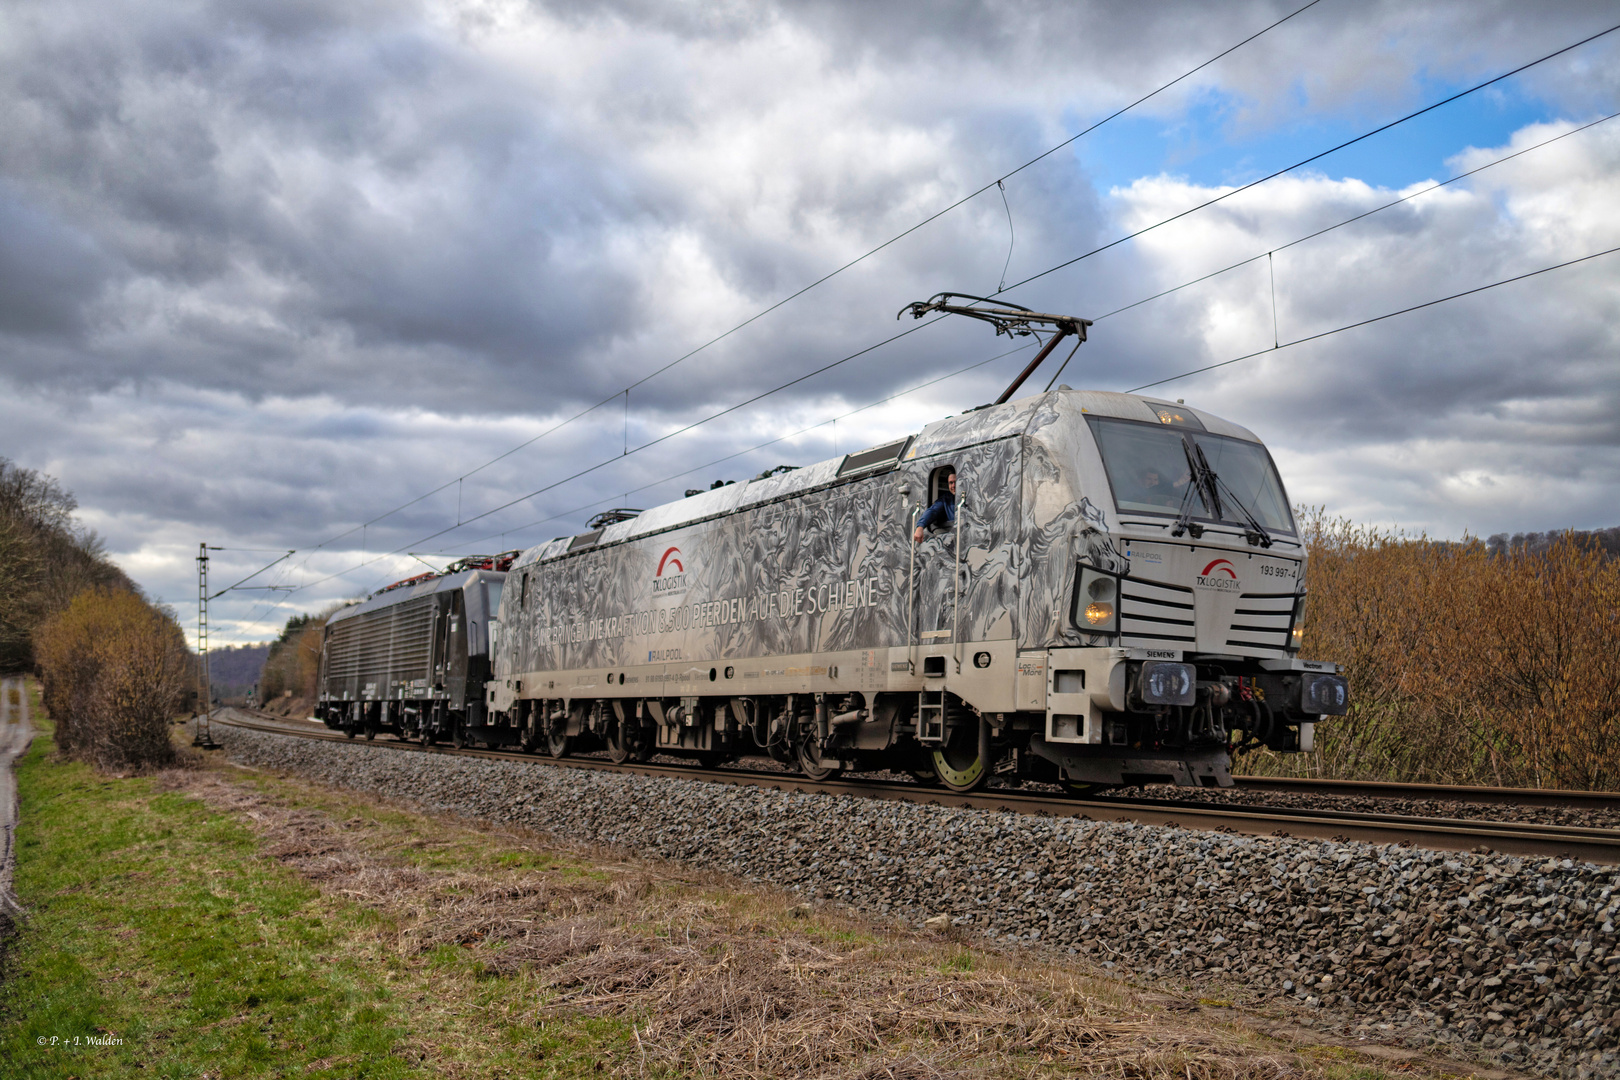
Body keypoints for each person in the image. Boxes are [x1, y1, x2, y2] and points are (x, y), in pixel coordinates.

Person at [913, 469, 956, 542]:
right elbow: (933, 511)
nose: (953, 486)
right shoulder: (946, 500)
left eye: (956, 482)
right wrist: (920, 527)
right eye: (950, 483)